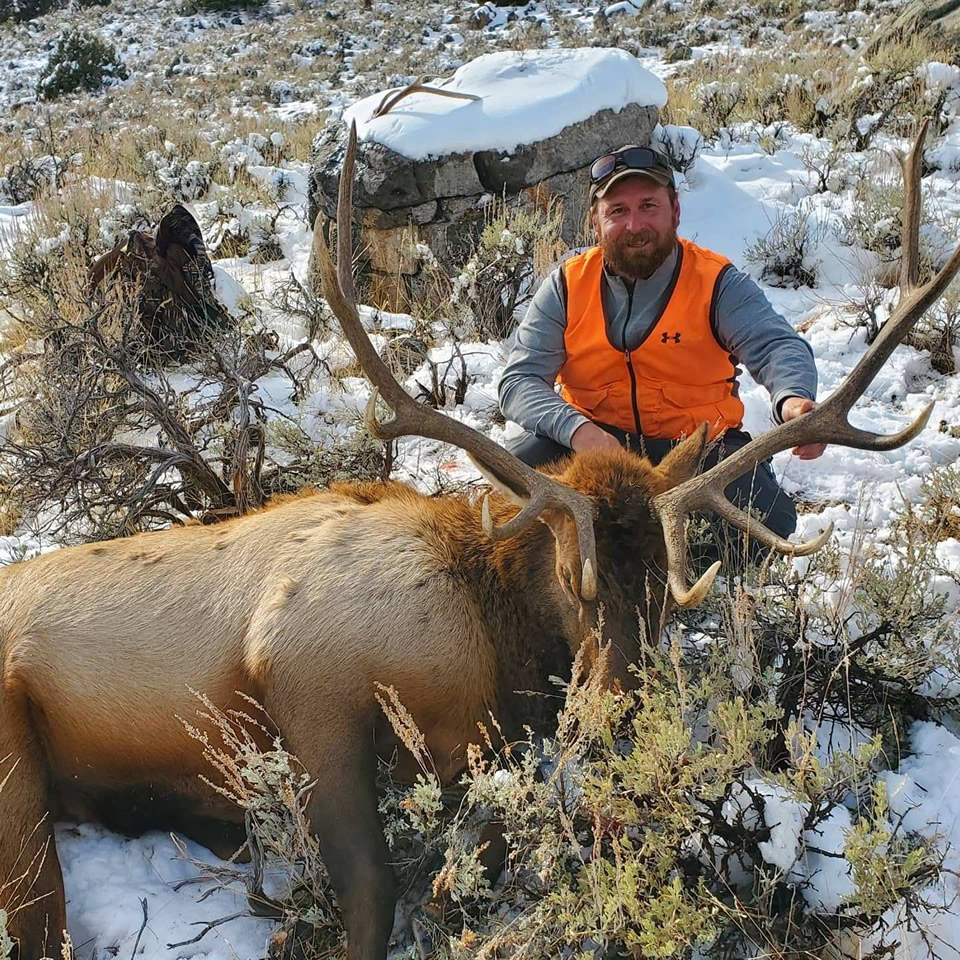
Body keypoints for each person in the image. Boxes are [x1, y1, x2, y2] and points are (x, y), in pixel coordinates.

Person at [497, 143, 824, 552]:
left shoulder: (715, 282)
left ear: (675, 211)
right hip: (594, 448)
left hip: (694, 452)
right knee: (512, 482)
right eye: (618, 211)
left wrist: (792, 398)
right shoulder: (567, 286)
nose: (635, 225)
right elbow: (519, 382)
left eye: (648, 206)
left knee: (766, 520)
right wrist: (578, 431)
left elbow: (776, 345)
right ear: (595, 222)